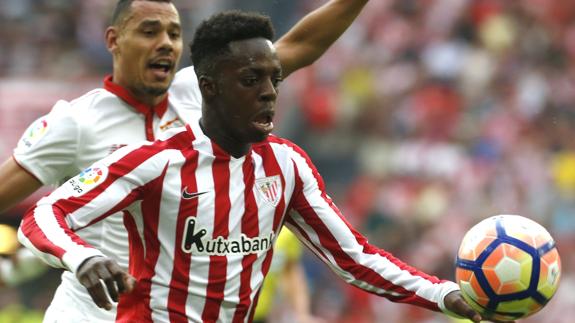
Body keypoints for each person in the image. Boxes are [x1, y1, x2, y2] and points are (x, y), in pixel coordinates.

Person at [18, 11, 502, 323]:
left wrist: (442, 295)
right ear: (208, 87)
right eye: (251, 80)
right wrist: (82, 257)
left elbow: (354, 257)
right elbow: (42, 216)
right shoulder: (158, 161)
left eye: (273, 79)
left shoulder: (287, 166)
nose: (270, 93)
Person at [0, 0, 371, 321]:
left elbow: (299, 45)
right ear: (114, 41)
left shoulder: (204, 91)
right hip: (87, 314)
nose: (165, 43)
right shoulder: (75, 123)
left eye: (174, 34)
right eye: (149, 32)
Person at [252, 228, 320, 323]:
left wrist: (302, 315)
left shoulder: (286, 231)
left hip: (259, 316)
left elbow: (290, 272)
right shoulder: (229, 223)